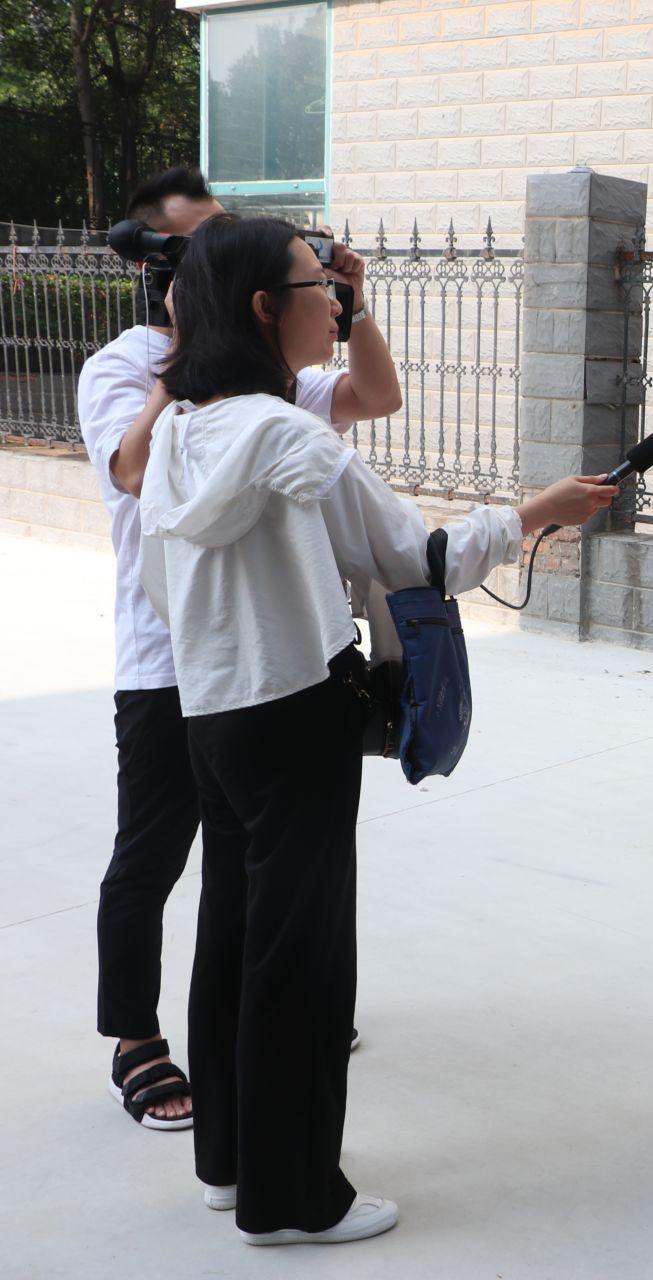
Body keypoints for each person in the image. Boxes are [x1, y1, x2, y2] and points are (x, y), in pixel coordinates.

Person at [137, 214, 614, 1244]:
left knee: (231, 932)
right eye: (322, 286)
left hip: (211, 711)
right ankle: (295, 1196)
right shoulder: (288, 436)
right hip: (298, 712)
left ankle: (229, 1159)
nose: (336, 303)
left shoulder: (176, 433)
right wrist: (537, 511)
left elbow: (160, 582)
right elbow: (421, 557)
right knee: (301, 957)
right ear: (268, 310)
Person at [77, 167, 402, 1131]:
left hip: (265, 662)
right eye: (197, 245)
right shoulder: (125, 364)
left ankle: (274, 1020)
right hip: (167, 655)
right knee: (153, 854)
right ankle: (135, 1034)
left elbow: (374, 396)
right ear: (161, 267)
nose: (224, 250)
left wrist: (348, 305)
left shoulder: (277, 373)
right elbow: (133, 472)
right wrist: (198, 341)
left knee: (252, 866)